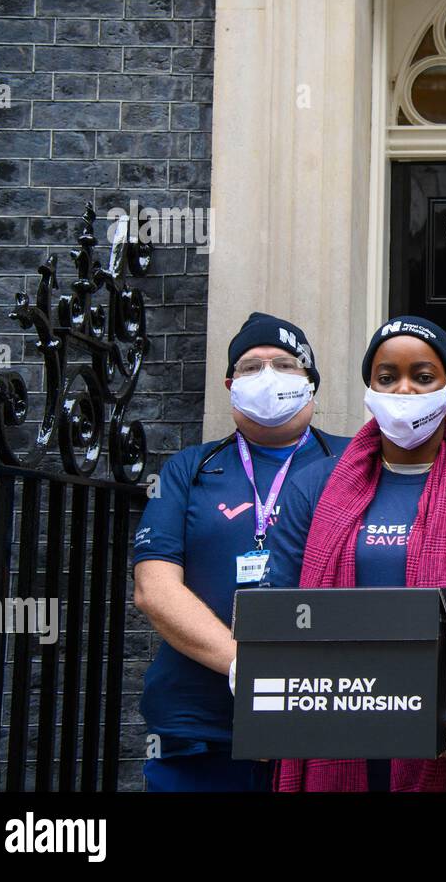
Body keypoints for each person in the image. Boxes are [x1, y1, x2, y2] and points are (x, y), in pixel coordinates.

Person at [261, 315, 446, 792]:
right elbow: (280, 613)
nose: (403, 390)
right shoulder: (317, 486)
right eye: (387, 377)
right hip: (337, 719)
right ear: (369, 388)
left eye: (423, 377)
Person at [132, 312, 348, 791]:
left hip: (324, 722)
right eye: (250, 367)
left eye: (286, 364)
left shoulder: (352, 464)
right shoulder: (189, 468)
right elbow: (153, 588)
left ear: (311, 381)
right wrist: (242, 665)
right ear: (230, 384)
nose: (267, 376)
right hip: (199, 731)